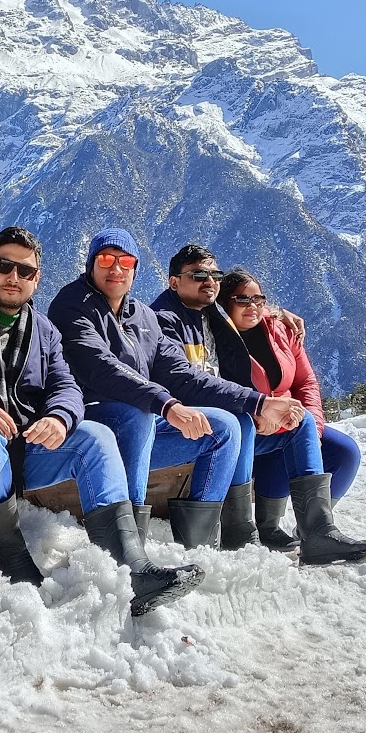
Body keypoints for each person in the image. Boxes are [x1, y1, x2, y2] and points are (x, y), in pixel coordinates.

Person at [0, 226, 204, 615]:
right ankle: (6, 549)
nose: (14, 277)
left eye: (25, 271)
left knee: (94, 435)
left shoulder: (42, 330)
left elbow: (66, 386)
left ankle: (133, 568)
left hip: (23, 450)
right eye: (5, 266)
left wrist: (60, 418)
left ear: (36, 279)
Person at [47, 228, 303, 549]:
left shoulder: (142, 316)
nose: (117, 269)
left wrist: (258, 402)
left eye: (126, 262)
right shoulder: (71, 306)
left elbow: (183, 375)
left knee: (224, 427)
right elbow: (100, 368)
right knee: (137, 416)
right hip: (92, 423)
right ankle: (130, 546)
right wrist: (166, 404)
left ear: (135, 269)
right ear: (91, 264)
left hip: (144, 420)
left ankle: (201, 544)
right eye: (106, 260)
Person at [215, 267, 366, 566]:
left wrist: (312, 429)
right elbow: (213, 389)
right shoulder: (216, 337)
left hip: (287, 422)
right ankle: (271, 528)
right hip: (247, 429)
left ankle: (316, 530)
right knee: (293, 430)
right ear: (225, 303)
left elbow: (306, 382)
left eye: (258, 299)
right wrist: (259, 414)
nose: (252, 306)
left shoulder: (280, 330)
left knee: (344, 452)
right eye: (242, 300)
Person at [150, 244, 305, 551]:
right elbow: (185, 381)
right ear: (174, 282)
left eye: (215, 275)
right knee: (233, 424)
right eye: (198, 275)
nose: (209, 281)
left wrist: (275, 313)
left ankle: (292, 530)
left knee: (294, 423)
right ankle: (210, 538)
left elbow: (245, 305)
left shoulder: (209, 311)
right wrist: (257, 402)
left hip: (208, 414)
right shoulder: (163, 320)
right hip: (173, 420)